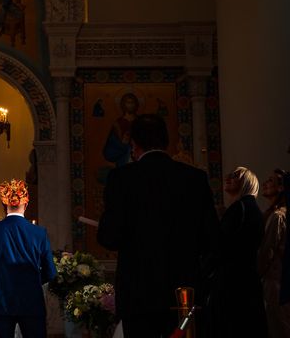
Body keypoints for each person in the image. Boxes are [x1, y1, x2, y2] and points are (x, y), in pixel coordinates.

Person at [97, 114, 219, 338]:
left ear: (134, 143)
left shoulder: (121, 179)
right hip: (183, 296)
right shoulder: (194, 178)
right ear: (166, 142)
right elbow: (211, 239)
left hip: (138, 296)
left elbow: (109, 237)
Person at [0, 179, 56, 338]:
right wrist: (32, 281)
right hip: (31, 301)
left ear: (3, 204)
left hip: (0, 302)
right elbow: (51, 272)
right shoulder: (39, 233)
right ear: (26, 205)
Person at [207, 166, 267, 337]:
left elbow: (220, 246)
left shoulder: (239, 208)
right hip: (248, 281)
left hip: (231, 283)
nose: (228, 177)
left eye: (236, 176)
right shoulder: (253, 210)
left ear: (247, 182)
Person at [258, 168, 290, 337]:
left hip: (276, 285)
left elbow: (267, 252)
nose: (265, 183)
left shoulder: (278, 216)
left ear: (281, 188)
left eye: (270, 181)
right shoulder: (273, 214)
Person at [102, 92, 140, 167]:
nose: (131, 105)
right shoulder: (117, 124)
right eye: (128, 102)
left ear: (136, 104)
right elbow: (109, 150)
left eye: (133, 102)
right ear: (123, 104)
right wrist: (123, 144)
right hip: (123, 162)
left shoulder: (141, 122)